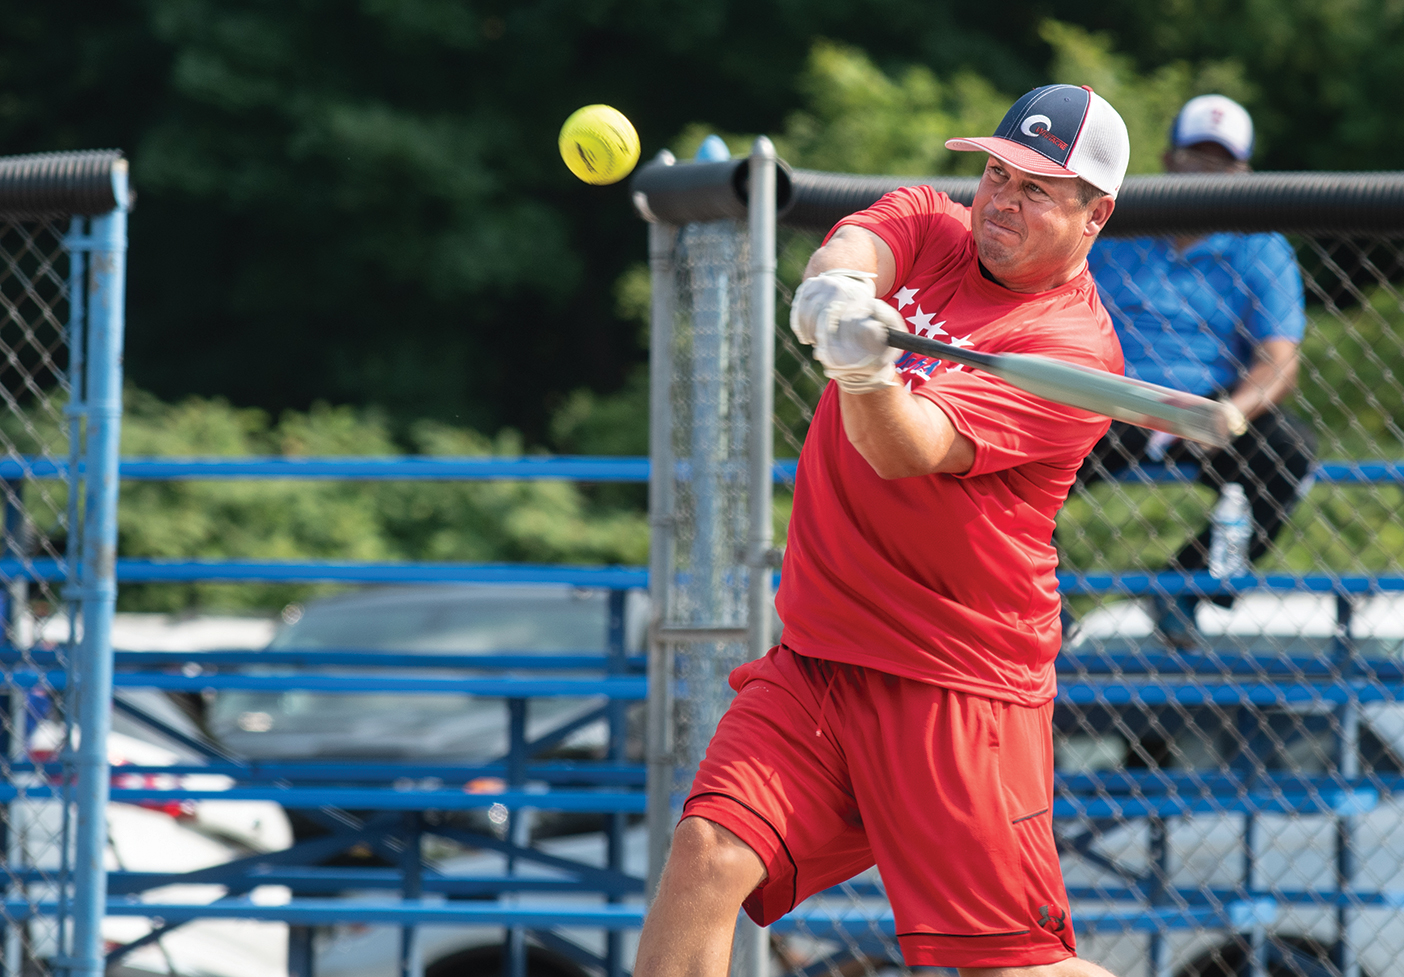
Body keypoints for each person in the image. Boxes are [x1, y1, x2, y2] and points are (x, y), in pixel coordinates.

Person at [635, 84, 1131, 977]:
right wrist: (841, 288)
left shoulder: (1069, 350)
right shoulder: (939, 225)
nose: (1002, 200)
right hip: (821, 657)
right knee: (705, 856)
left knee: (1010, 965)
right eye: (997, 173)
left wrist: (863, 372)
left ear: (1095, 215)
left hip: (955, 683)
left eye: (1036, 189)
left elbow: (906, 449)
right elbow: (865, 238)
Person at [1080, 94, 1316, 645]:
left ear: (1244, 174)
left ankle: (1189, 584)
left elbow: (1279, 362)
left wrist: (1231, 412)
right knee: (1015, 448)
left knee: (1289, 453)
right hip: (1110, 397)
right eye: (1195, 158)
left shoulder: (1262, 246)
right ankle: (1039, 594)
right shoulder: (1113, 228)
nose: (1207, 173)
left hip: (1209, 408)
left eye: (1222, 163)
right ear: (1169, 161)